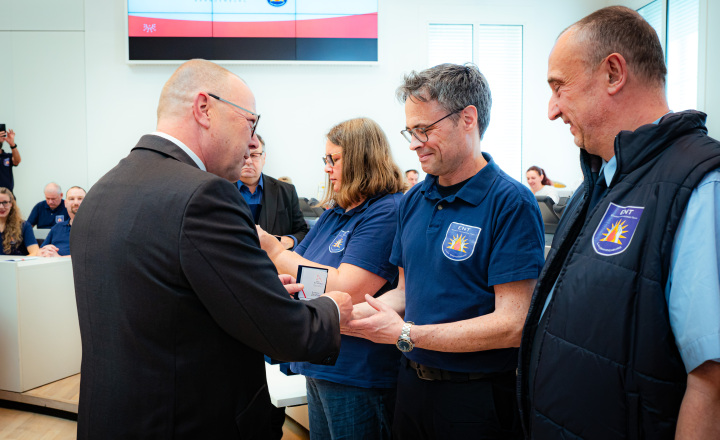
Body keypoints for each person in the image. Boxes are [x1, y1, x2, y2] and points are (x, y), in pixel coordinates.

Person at [70, 59, 353, 440]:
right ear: (205, 108)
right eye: (250, 123)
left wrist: (253, 295)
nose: (253, 142)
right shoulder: (204, 195)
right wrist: (333, 306)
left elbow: (162, 302)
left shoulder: (103, 190)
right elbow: (285, 334)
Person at [517, 7, 720, 440]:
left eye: (559, 87)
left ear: (613, 73)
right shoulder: (599, 181)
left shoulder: (700, 186)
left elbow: (712, 385)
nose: (552, 110)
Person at [343, 63, 545, 439]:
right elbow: (405, 292)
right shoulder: (413, 200)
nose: (414, 143)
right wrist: (346, 316)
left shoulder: (510, 202)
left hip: (476, 397)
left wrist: (405, 334)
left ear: (468, 118)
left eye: (425, 130)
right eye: (410, 130)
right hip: (412, 388)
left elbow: (513, 324)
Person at [257, 117, 405, 440]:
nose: (327, 168)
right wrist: (289, 268)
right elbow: (297, 271)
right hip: (321, 363)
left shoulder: (386, 212)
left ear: (361, 160)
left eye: (334, 160)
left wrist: (271, 246)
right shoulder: (335, 213)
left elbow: (345, 289)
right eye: (326, 160)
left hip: (358, 374)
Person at [236, 134, 309, 249]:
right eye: (243, 155)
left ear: (263, 158)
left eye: (254, 155)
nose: (248, 161)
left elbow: (303, 232)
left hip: (274, 263)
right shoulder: (219, 190)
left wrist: (288, 241)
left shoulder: (286, 191)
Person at [38, 186, 85, 257]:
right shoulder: (57, 228)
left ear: (87, 202)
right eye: (71, 199)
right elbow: (39, 252)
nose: (76, 203)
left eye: (80, 199)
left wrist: (59, 258)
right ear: (65, 203)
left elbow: (92, 257)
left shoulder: (95, 228)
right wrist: (45, 251)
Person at [0, 187, 38, 256]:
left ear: (11, 204)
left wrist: (20, 263)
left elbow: (35, 252)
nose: (1, 207)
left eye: (5, 202)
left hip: (16, 265)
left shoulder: (24, 226)